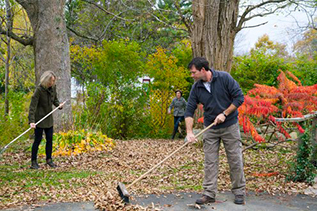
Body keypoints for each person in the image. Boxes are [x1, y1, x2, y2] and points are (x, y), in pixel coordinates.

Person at [185, 57, 245, 205]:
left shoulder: (224, 78)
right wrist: (189, 132)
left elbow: (239, 98)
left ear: (203, 70)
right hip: (210, 128)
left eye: (194, 73)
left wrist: (225, 113)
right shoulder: (196, 87)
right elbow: (189, 110)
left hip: (229, 126)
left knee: (235, 159)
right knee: (210, 162)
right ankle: (209, 193)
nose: (192, 76)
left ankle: (239, 192)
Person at [28, 71, 64, 169]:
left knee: (49, 140)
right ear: (47, 80)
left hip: (48, 119)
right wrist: (31, 121)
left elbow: (55, 100)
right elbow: (32, 106)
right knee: (37, 140)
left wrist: (59, 105)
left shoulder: (53, 88)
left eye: (53, 81)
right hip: (39, 119)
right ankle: (33, 162)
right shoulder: (39, 90)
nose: (52, 83)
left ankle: (49, 160)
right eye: (51, 81)